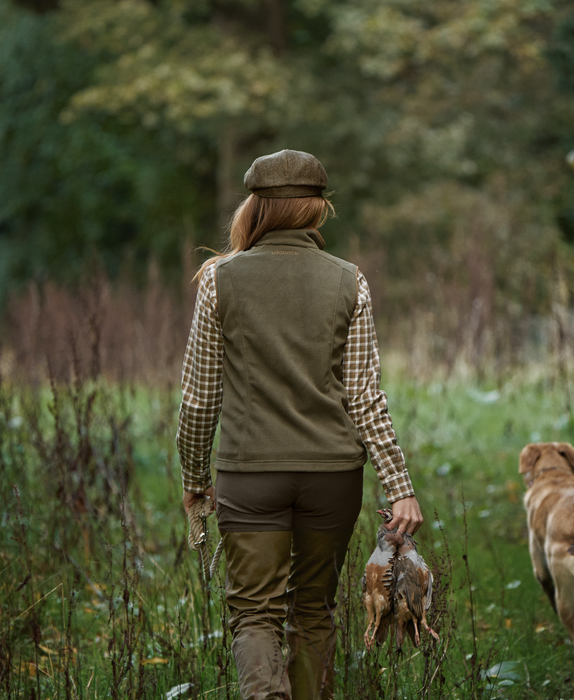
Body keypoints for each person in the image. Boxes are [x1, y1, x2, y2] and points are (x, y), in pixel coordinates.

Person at [176, 149, 423, 700]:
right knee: (314, 609)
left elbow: (199, 399)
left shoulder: (221, 281)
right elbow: (365, 397)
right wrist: (399, 486)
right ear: (316, 209)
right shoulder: (348, 281)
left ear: (256, 208)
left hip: (250, 474)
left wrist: (195, 476)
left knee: (255, 614)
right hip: (332, 478)